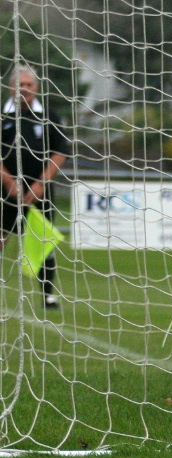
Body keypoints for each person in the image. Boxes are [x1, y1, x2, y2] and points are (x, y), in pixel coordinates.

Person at [0, 65, 70, 309]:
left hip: (39, 192)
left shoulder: (49, 115)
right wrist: (8, 182)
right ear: (11, 87)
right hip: (4, 190)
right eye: (20, 84)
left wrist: (41, 184)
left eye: (29, 85)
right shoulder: (2, 114)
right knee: (1, 238)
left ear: (36, 88)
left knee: (43, 241)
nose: (24, 89)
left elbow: (61, 151)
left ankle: (48, 295)